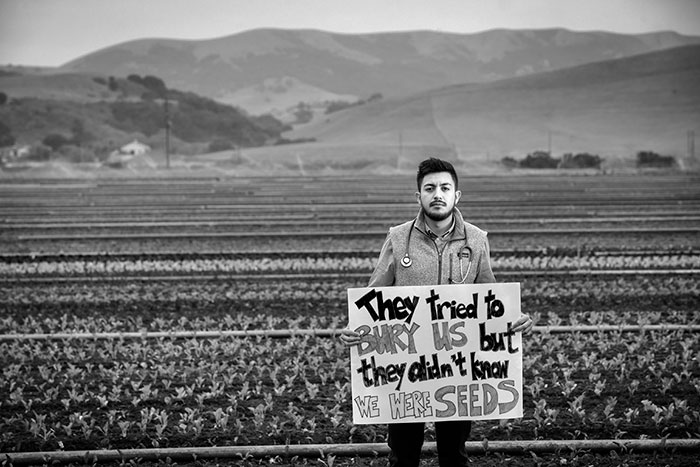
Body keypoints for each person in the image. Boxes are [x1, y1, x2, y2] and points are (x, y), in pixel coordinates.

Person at [341, 157, 533, 467]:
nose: (438, 194)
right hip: (404, 371)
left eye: (445, 187)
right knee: (403, 453)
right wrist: (355, 327)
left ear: (457, 195)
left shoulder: (476, 240)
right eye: (430, 188)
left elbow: (491, 298)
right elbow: (373, 296)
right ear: (418, 196)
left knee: (453, 454)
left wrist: (517, 319)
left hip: (457, 371)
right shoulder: (398, 237)